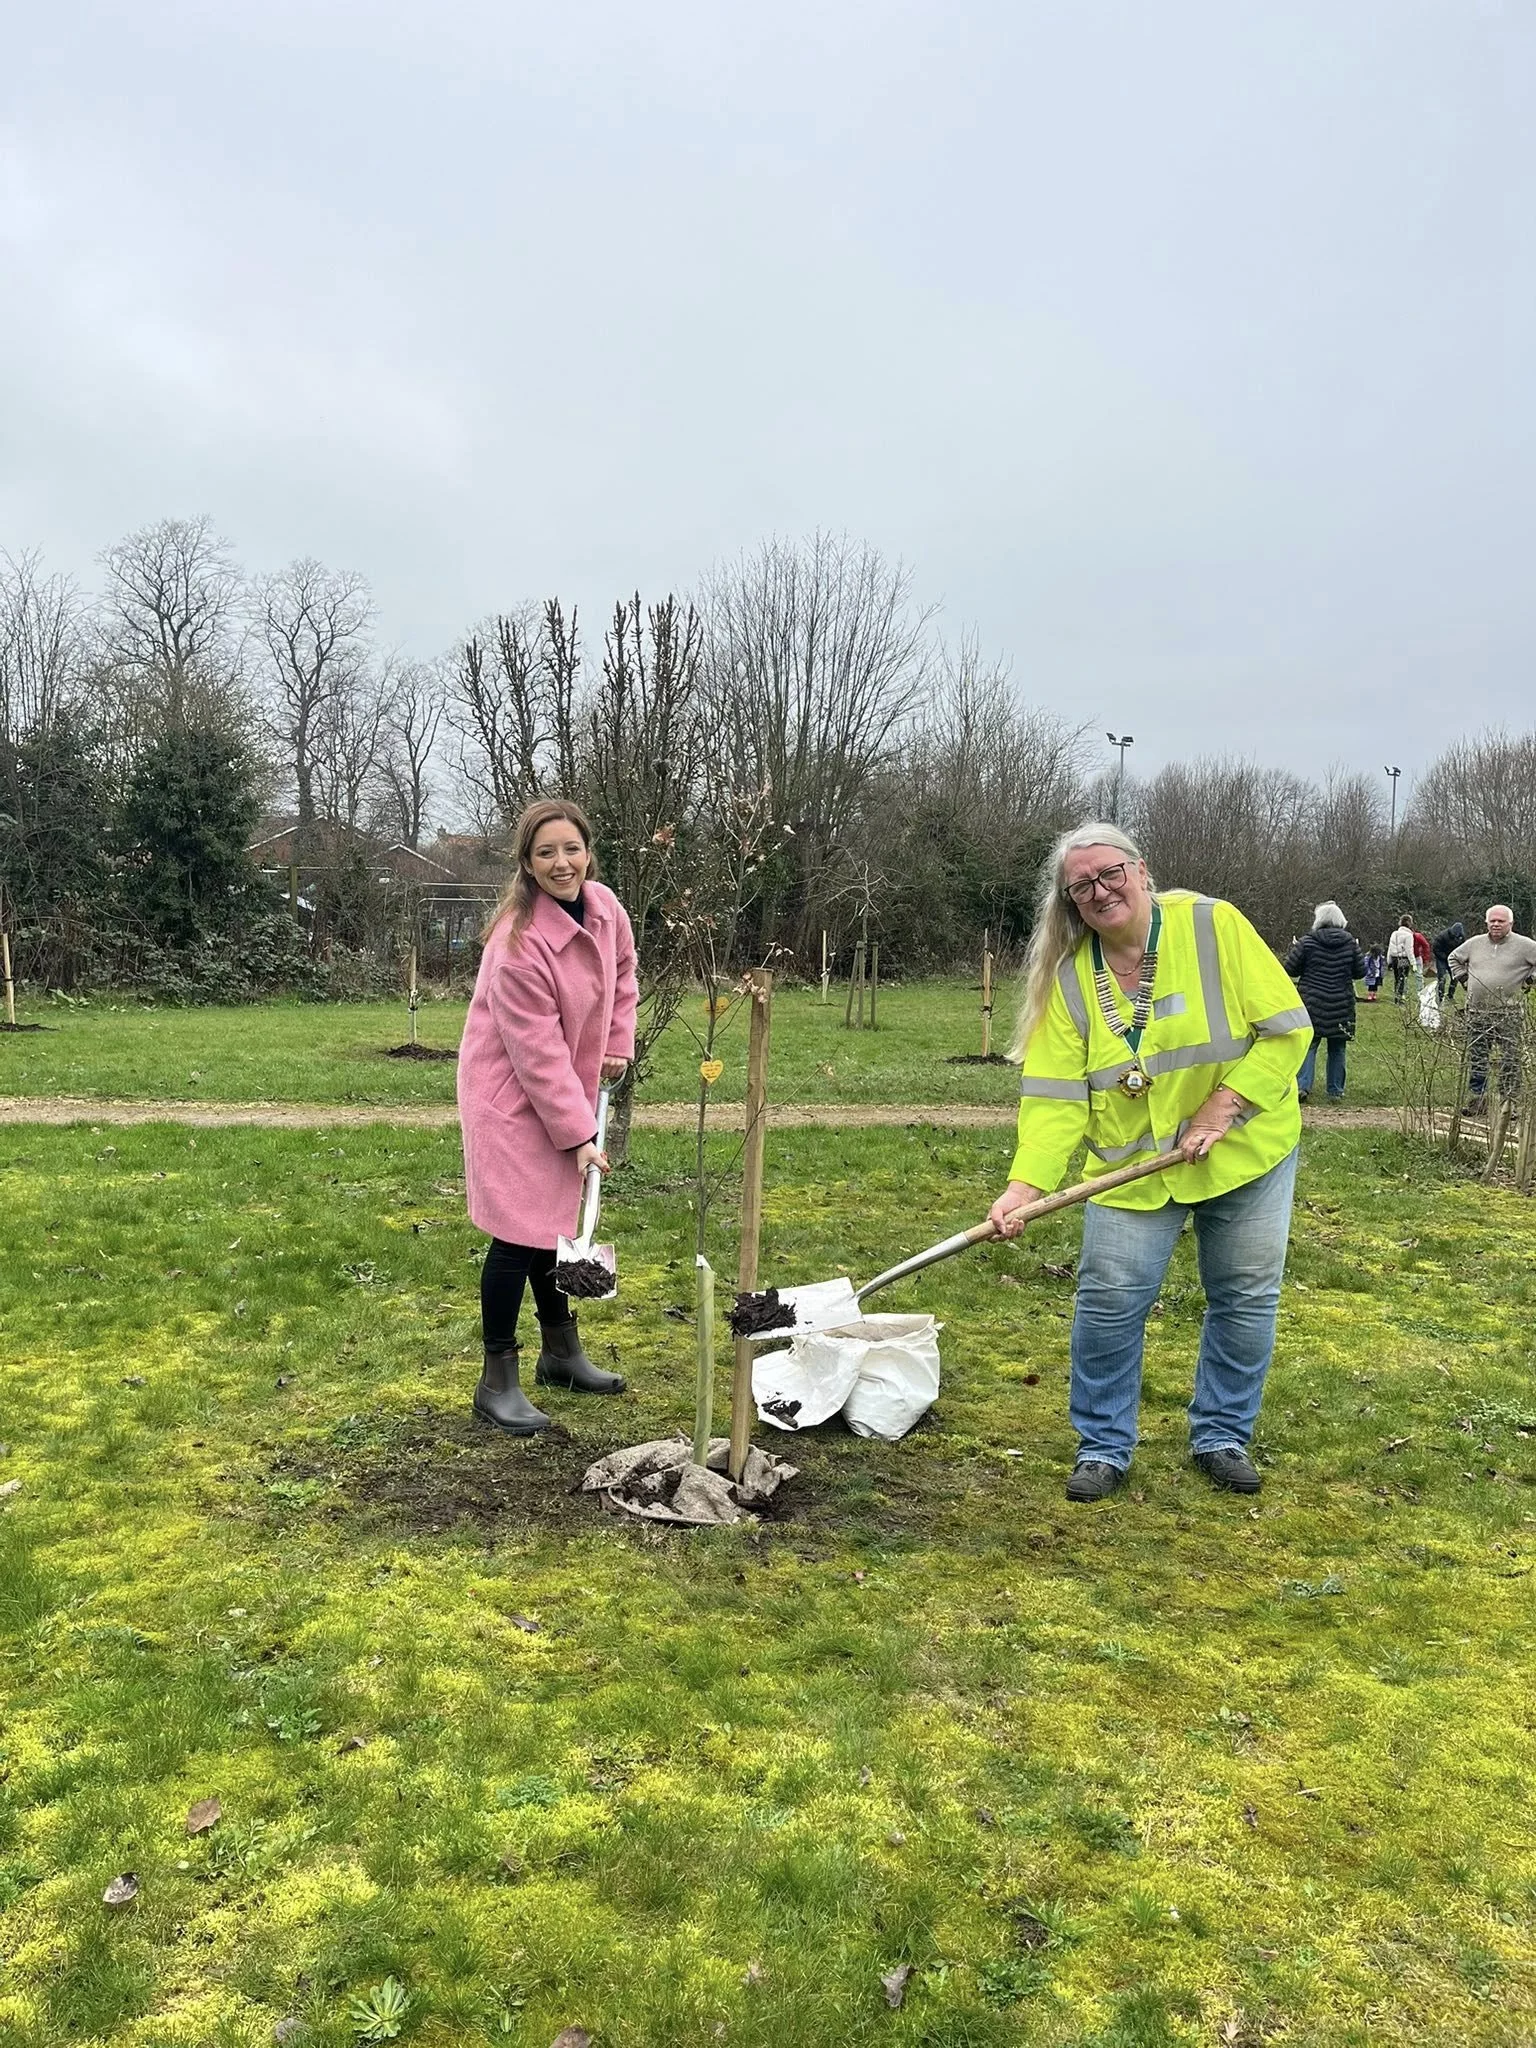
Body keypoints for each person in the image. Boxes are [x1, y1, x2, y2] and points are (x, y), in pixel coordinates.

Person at [988, 824, 1311, 1503]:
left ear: (1141, 870)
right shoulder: (1072, 981)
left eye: (1111, 873)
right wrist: (1025, 1187)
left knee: (1245, 1296)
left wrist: (1224, 1105)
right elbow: (1054, 1100)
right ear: (1070, 902)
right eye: (1082, 885)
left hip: (1245, 1151)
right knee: (1107, 1305)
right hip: (1134, 1170)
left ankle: (1222, 1434)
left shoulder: (1212, 926)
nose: (1101, 891)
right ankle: (1103, 1445)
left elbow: (1288, 1030)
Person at [457, 798, 639, 1434]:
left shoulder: (605, 907)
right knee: (517, 1233)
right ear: (527, 865)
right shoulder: (517, 943)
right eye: (545, 853)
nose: (561, 863)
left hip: (567, 1084)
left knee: (553, 1223)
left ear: (588, 851)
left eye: (571, 849)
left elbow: (623, 975)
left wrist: (618, 1042)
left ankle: (562, 1354)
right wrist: (582, 1135)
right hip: (509, 1095)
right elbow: (534, 1053)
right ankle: (495, 1379)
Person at [1447, 905, 1536, 1116]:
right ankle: (1479, 1100)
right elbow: (1453, 958)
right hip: (1477, 1013)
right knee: (1478, 1057)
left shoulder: (1525, 945)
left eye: (1501, 921)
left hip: (1509, 1013)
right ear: (1486, 923)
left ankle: (1509, 1104)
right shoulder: (1474, 943)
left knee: (1510, 1059)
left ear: (1510, 924)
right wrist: (1463, 978)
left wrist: (1530, 980)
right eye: (1492, 921)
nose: (1496, 924)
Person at [1285, 902, 1367, 1103]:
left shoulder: (1307, 942)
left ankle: (1303, 1087)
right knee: (1337, 1047)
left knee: (1309, 1045)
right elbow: (1360, 972)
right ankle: (1336, 1090)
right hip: (1342, 1002)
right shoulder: (1350, 943)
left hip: (1311, 1002)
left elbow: (1290, 968)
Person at [1432, 920, 1465, 1004]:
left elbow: (1463, 949)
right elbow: (1435, 948)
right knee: (1442, 978)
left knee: (1455, 978)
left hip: (1453, 959)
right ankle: (1440, 997)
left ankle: (1450, 996)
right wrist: (1444, 957)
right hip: (1441, 959)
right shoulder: (1443, 935)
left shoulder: (1461, 937)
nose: (1456, 937)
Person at [1385, 916, 1415, 1003]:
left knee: (1396, 978)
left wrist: (1389, 961)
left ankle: (1396, 996)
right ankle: (1400, 997)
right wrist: (1413, 963)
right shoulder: (1409, 935)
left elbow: (1390, 948)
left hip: (1394, 958)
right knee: (1402, 978)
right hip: (1403, 958)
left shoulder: (1394, 933)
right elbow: (1409, 950)